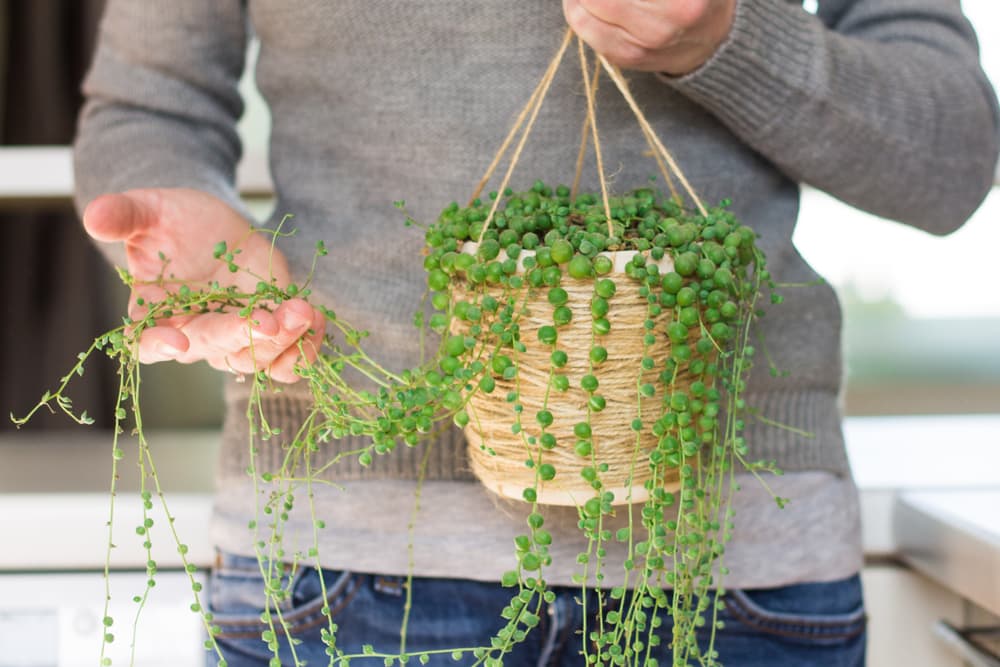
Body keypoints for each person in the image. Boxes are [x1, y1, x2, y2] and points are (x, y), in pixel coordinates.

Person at [74, 1, 998, 665]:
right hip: (345, 568)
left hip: (736, 577)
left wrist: (727, 39)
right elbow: (150, 104)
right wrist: (188, 221)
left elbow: (951, 155)